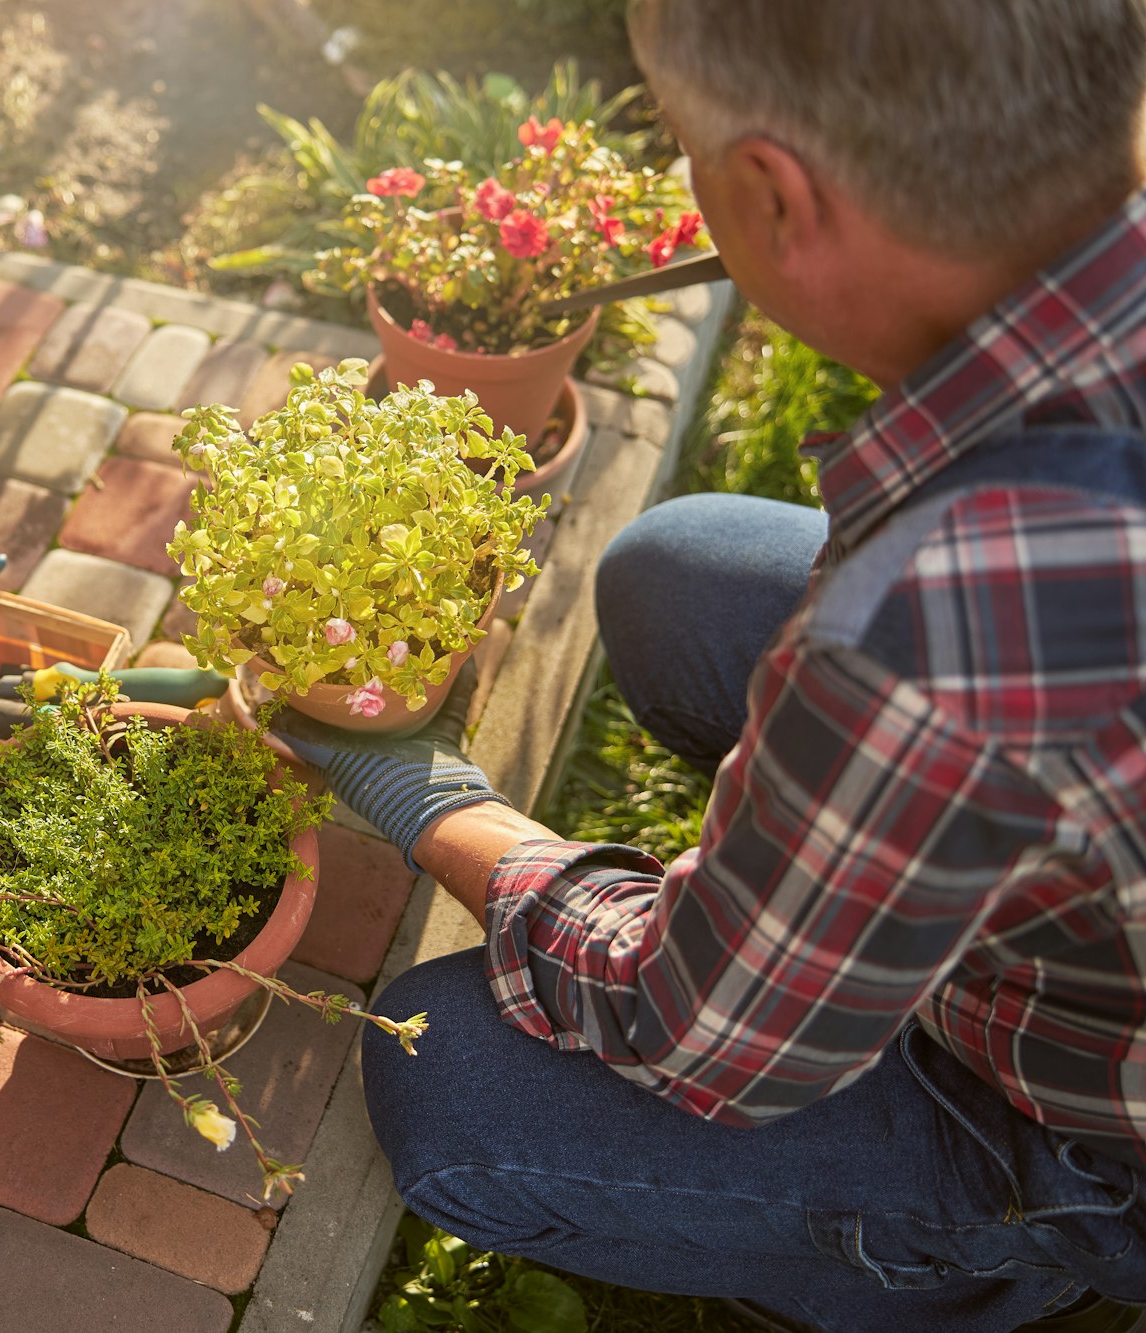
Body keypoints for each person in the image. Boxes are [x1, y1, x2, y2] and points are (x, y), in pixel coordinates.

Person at [272, 3, 1146, 1330]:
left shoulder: (951, 606)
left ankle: (986, 1264)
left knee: (442, 1082)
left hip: (1090, 1122)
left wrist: (432, 801)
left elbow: (699, 1024)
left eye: (682, 148)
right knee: (673, 572)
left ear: (770, 192)